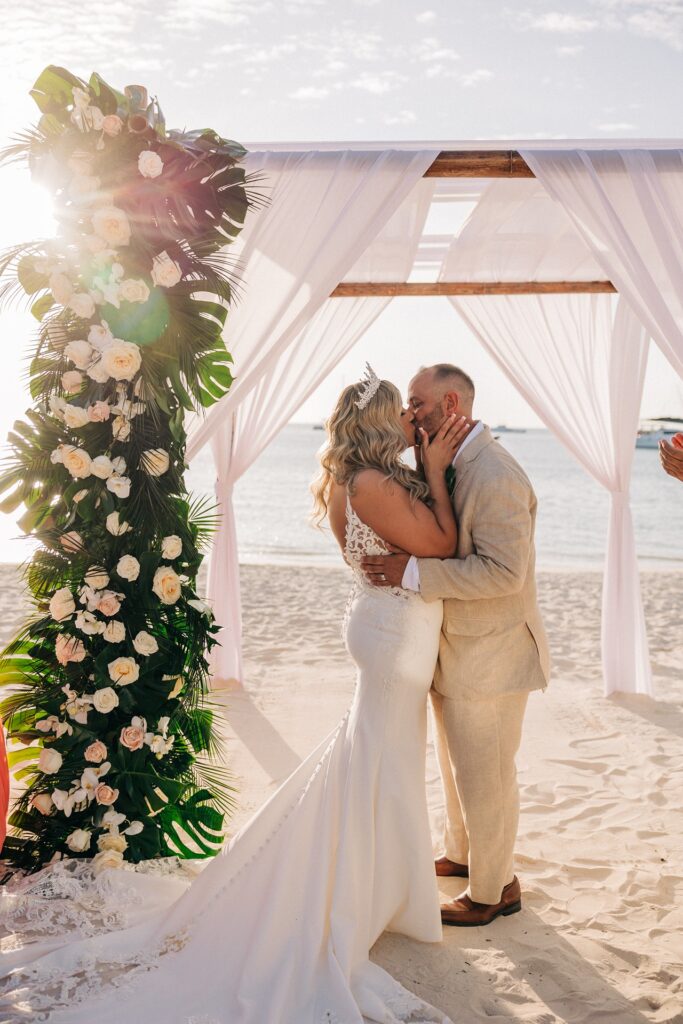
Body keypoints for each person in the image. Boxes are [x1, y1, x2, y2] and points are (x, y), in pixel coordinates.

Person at [0, 367, 469, 1024]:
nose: (409, 422)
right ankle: (373, 893)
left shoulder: (355, 479)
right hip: (393, 637)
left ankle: (383, 889)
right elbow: (442, 543)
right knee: (380, 765)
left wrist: (424, 471)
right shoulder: (369, 483)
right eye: (401, 413)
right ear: (377, 422)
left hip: (392, 631)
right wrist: (439, 472)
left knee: (377, 762)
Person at [362, 363, 551, 927]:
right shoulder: (446, 462)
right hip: (456, 648)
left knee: (486, 776)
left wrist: (411, 573)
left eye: (417, 403)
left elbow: (505, 574)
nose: (409, 414)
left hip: (493, 654)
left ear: (450, 404)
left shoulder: (495, 473)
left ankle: (494, 891)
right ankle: (464, 856)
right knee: (456, 769)